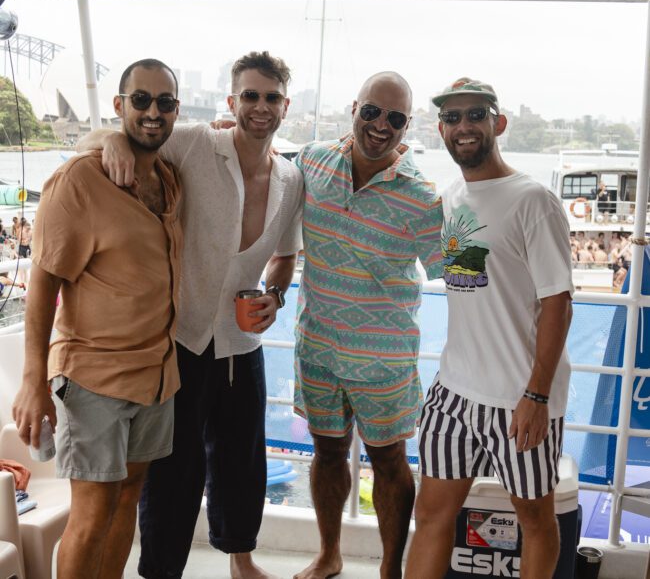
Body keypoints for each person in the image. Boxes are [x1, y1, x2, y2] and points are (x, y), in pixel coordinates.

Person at [79, 51, 303, 579]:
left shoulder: (292, 180)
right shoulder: (197, 143)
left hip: (240, 344)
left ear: (285, 106)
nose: (260, 107)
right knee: (173, 472)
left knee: (243, 463)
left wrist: (275, 294)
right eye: (250, 96)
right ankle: (160, 571)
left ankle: (241, 559)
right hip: (182, 335)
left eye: (271, 97)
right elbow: (134, 138)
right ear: (232, 101)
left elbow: (286, 256)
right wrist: (112, 138)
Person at [12, 58, 183, 579]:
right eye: (141, 101)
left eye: (165, 103)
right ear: (119, 106)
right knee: (90, 512)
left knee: (128, 498)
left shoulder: (170, 180)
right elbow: (42, 283)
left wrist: (104, 137)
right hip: (93, 377)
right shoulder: (80, 180)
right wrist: (33, 382)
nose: (153, 113)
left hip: (156, 375)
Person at [405, 78, 573, 579]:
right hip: (454, 392)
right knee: (431, 514)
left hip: (521, 397)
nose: (464, 126)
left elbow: (558, 303)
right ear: (440, 130)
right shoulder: (454, 194)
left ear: (497, 123)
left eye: (475, 115)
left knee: (535, 520)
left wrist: (537, 395)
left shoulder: (533, 200)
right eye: (453, 118)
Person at [293, 72, 444, 579]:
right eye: (373, 112)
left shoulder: (423, 197)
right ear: (354, 107)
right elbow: (260, 175)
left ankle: (389, 570)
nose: (381, 126)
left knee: (389, 461)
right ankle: (329, 553)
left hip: (385, 358)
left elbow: (465, 270)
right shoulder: (312, 160)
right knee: (327, 451)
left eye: (395, 119)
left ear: (408, 127)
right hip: (317, 347)